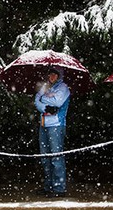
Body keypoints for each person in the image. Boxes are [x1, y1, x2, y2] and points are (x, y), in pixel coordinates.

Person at [34, 67, 70, 198]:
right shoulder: (45, 86)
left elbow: (58, 102)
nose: (52, 76)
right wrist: (45, 106)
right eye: (50, 74)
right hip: (43, 125)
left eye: (55, 74)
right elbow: (36, 101)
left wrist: (44, 99)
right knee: (45, 157)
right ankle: (48, 186)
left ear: (59, 76)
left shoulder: (63, 88)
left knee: (56, 156)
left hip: (56, 125)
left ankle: (59, 188)